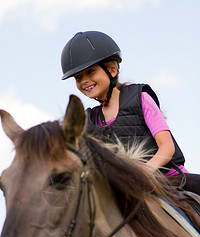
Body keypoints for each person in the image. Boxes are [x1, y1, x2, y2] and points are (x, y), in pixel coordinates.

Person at [61, 31, 200, 195]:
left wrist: (145, 172)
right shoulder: (88, 121)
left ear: (112, 70)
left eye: (90, 72)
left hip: (170, 180)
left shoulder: (139, 98)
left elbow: (167, 146)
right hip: (130, 191)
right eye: (78, 77)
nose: (84, 80)